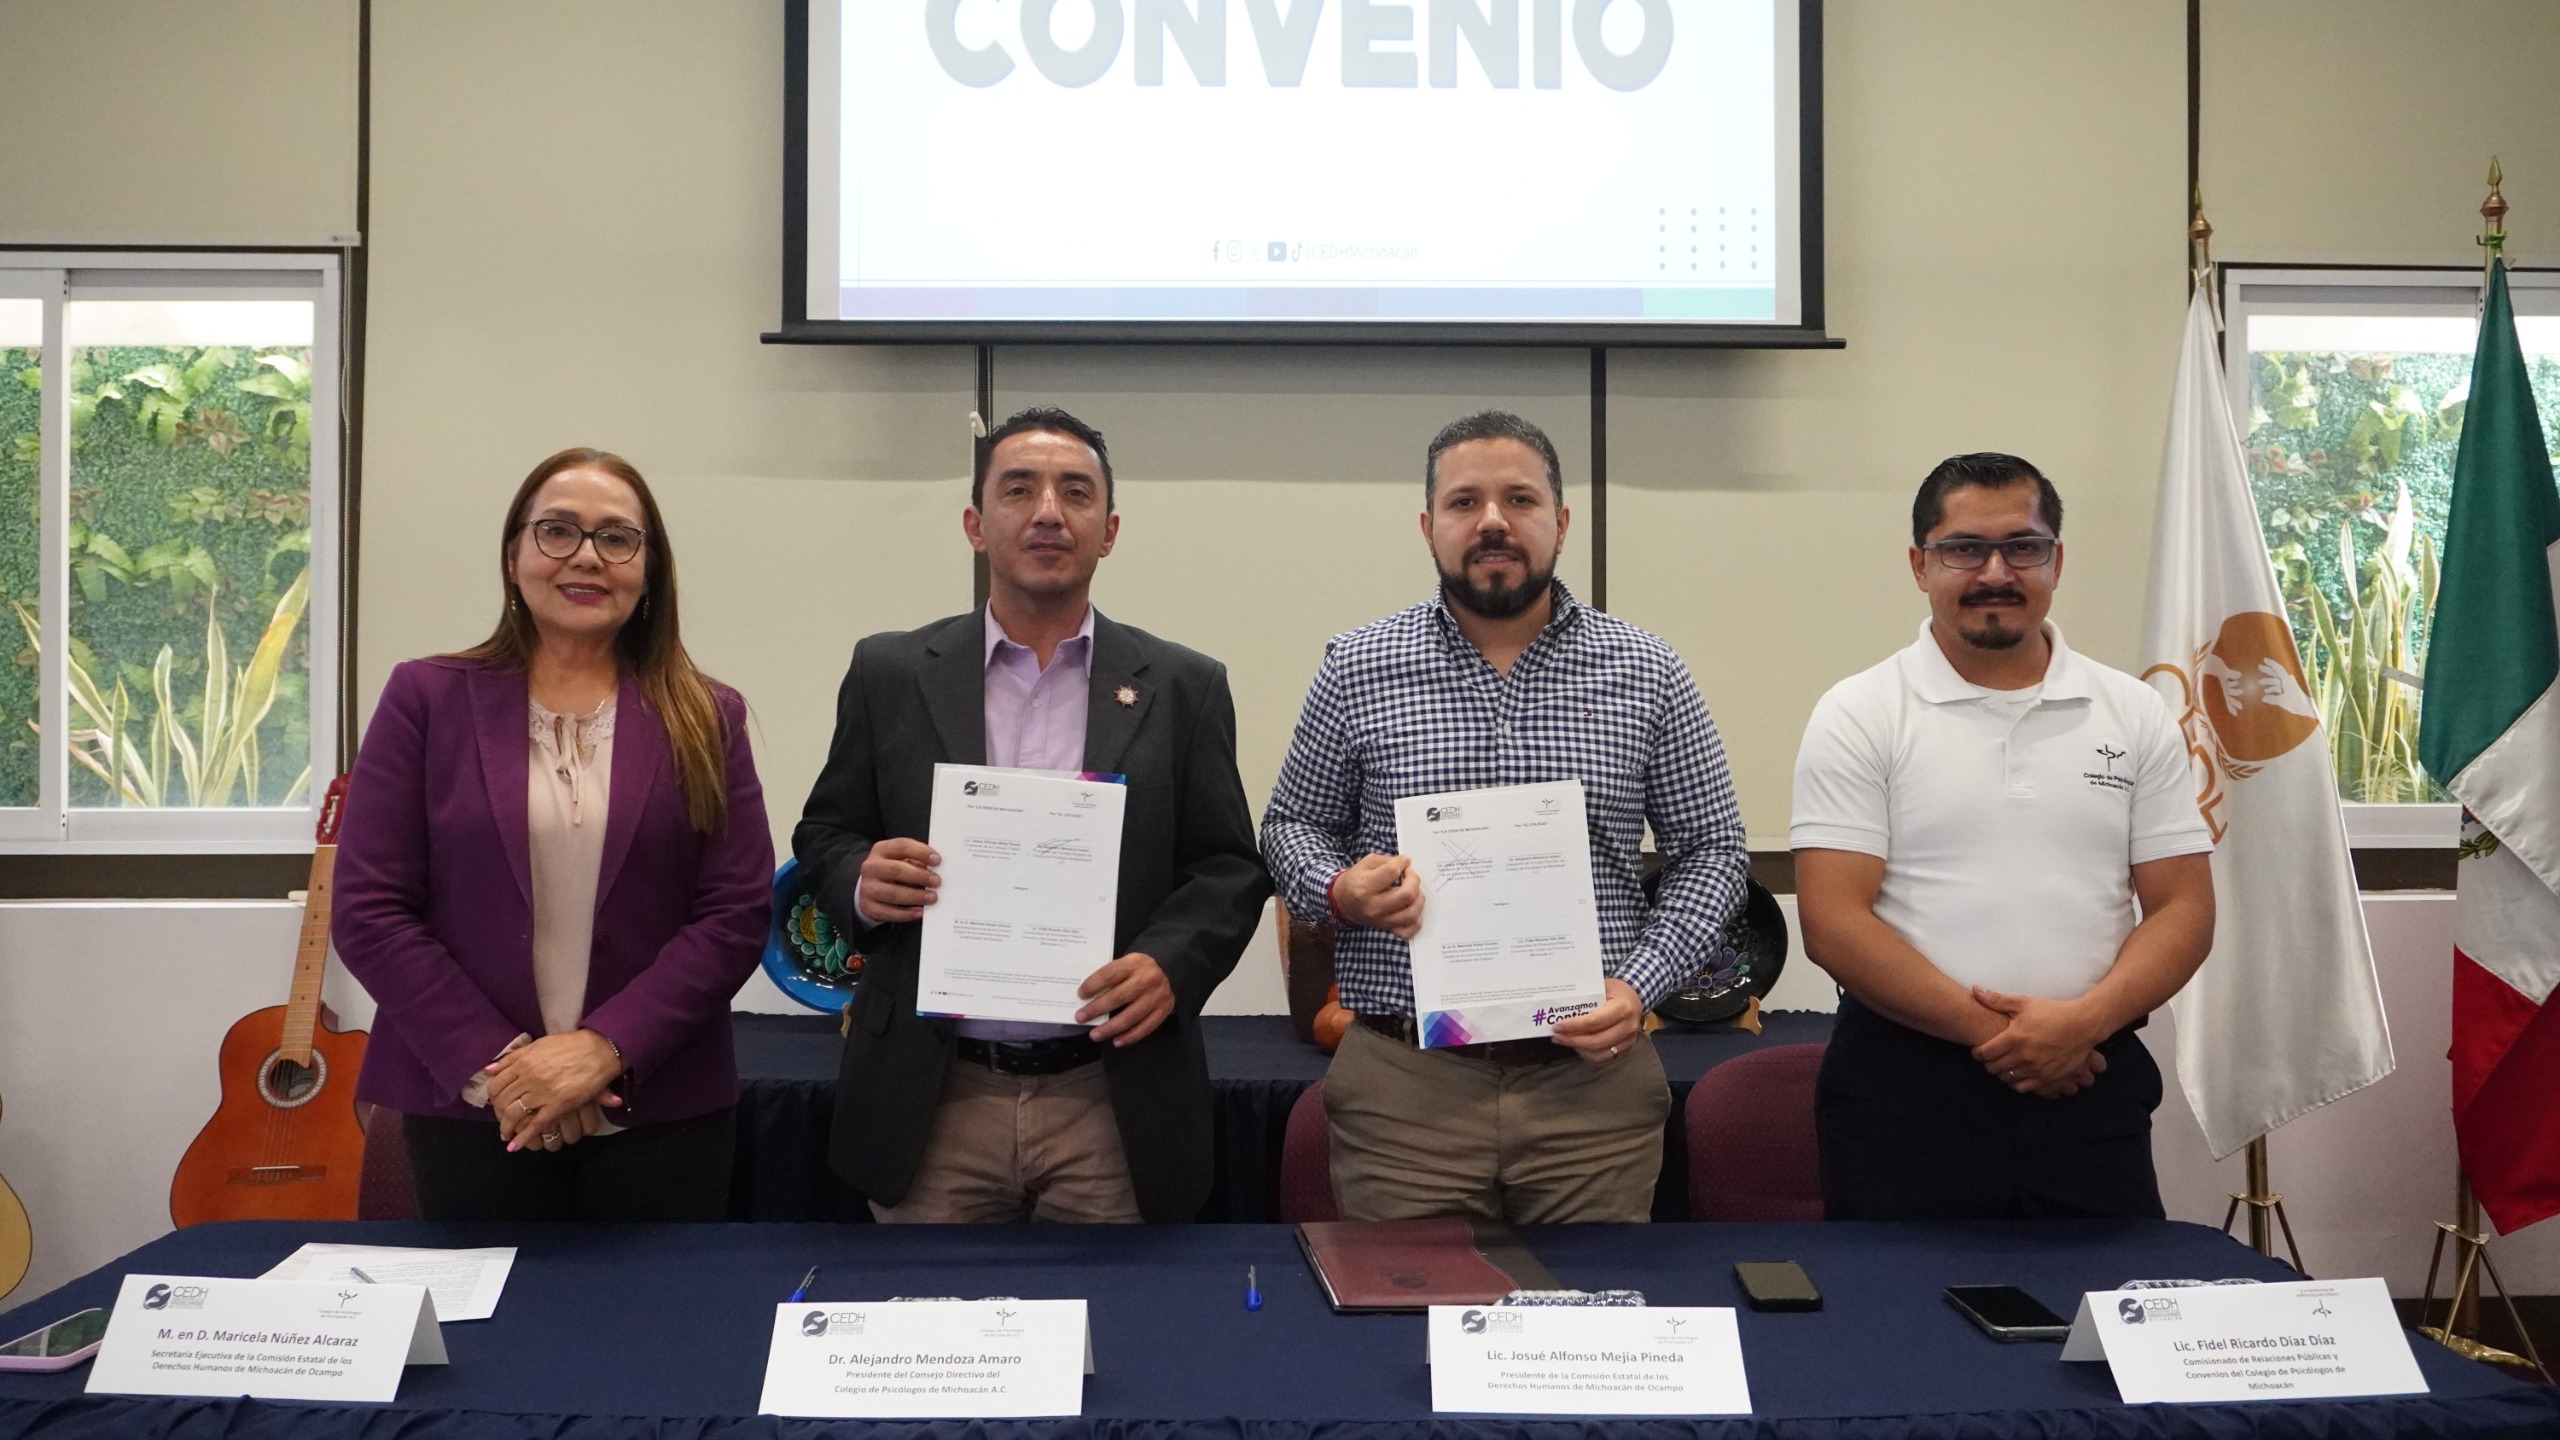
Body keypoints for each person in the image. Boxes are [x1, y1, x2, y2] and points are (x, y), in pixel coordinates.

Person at [1261, 410, 1749, 1223]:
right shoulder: (1357, 667)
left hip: (1592, 1092)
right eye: (1464, 502)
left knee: (1589, 1305)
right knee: (1408, 1303)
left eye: (1520, 499)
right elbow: (1290, 826)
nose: (1492, 521)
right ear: (1429, 528)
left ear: (1561, 522)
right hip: (1403, 1092)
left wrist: (1641, 983)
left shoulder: (1648, 671)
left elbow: (1714, 851)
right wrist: (1339, 889)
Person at [796, 406, 1268, 1224]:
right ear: (975, 525)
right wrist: (860, 882)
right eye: (1019, 490)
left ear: (1108, 531)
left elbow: (1227, 867)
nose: (1048, 512)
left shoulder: (1184, 685)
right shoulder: (890, 672)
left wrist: (1170, 964)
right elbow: (825, 832)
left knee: (1114, 1310)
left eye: (1075, 493)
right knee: (933, 1311)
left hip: (1111, 1098)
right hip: (933, 1095)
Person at [333, 447, 773, 1222]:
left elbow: (734, 914)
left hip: (662, 1109)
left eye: (617, 538)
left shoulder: (708, 716)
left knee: (660, 1304)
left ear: (649, 569)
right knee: (487, 1305)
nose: (587, 557)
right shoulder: (425, 699)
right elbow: (370, 910)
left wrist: (604, 1049)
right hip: (475, 1108)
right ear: (514, 555)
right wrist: (511, 1073)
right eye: (558, 531)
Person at [1792, 452, 2216, 1221]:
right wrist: (2014, 1041)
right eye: (1964, 549)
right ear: (1920, 565)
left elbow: (2184, 908)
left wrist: (2081, 1025)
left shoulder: (2133, 711)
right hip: (1904, 1099)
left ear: (2057, 560)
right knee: (1901, 1298)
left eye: (2023, 547)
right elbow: (1833, 922)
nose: (1996, 572)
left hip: (2090, 1080)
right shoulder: (1860, 712)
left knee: (2105, 1295)